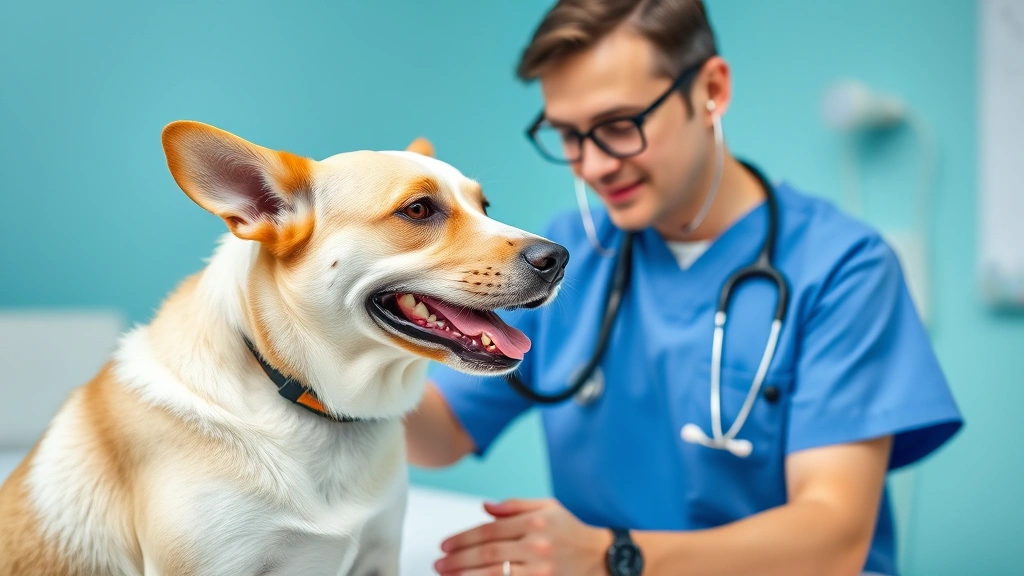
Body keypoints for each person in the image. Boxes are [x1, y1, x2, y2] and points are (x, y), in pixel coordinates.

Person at [404, 1, 963, 575]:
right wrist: (337, 348)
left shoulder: (843, 267)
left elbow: (833, 537)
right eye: (569, 135)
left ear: (712, 91)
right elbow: (440, 436)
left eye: (619, 126)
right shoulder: (573, 252)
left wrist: (612, 555)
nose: (593, 165)